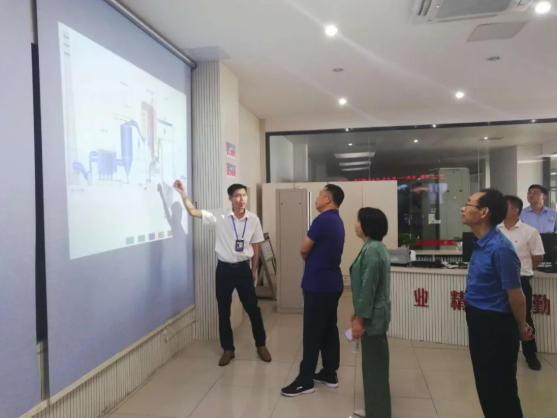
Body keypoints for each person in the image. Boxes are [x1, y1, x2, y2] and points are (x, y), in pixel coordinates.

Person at [174, 180, 271, 366]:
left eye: (244, 195)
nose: (241, 199)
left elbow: (255, 246)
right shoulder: (220, 215)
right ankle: (228, 349)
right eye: (237, 196)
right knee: (223, 310)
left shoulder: (253, 219)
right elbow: (193, 212)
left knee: (253, 309)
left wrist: (253, 270)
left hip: (243, 269)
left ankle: (261, 345)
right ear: (230, 199)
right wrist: (183, 194)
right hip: (224, 270)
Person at [462, 188, 533, 418]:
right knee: (486, 385)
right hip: (478, 320)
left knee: (500, 389)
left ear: (484, 212)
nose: (463, 208)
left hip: (496, 325)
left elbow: (516, 295)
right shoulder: (480, 243)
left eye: (469, 204)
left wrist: (521, 326)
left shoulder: (501, 248)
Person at [281, 184, 345, 397]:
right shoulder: (337, 220)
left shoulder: (322, 220)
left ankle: (305, 380)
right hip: (333, 284)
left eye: (319, 195)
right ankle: (329, 373)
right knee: (328, 328)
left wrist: (308, 259)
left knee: (312, 332)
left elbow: (304, 248)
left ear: (328, 199)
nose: (317, 198)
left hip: (318, 285)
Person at [351, 208, 392, 418]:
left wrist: (359, 319)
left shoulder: (373, 250)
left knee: (375, 368)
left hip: (372, 318)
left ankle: (378, 412)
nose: (355, 225)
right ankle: (374, 409)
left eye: (358, 221)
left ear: (368, 225)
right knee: (373, 365)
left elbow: (368, 289)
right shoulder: (373, 247)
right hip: (372, 315)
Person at [498, 195, 544, 371]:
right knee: (499, 317)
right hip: (498, 281)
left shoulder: (529, 231)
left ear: (515, 210)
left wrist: (525, 270)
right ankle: (503, 354)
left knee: (524, 318)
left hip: (520, 281)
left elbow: (537, 257)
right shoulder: (495, 230)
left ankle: (530, 355)